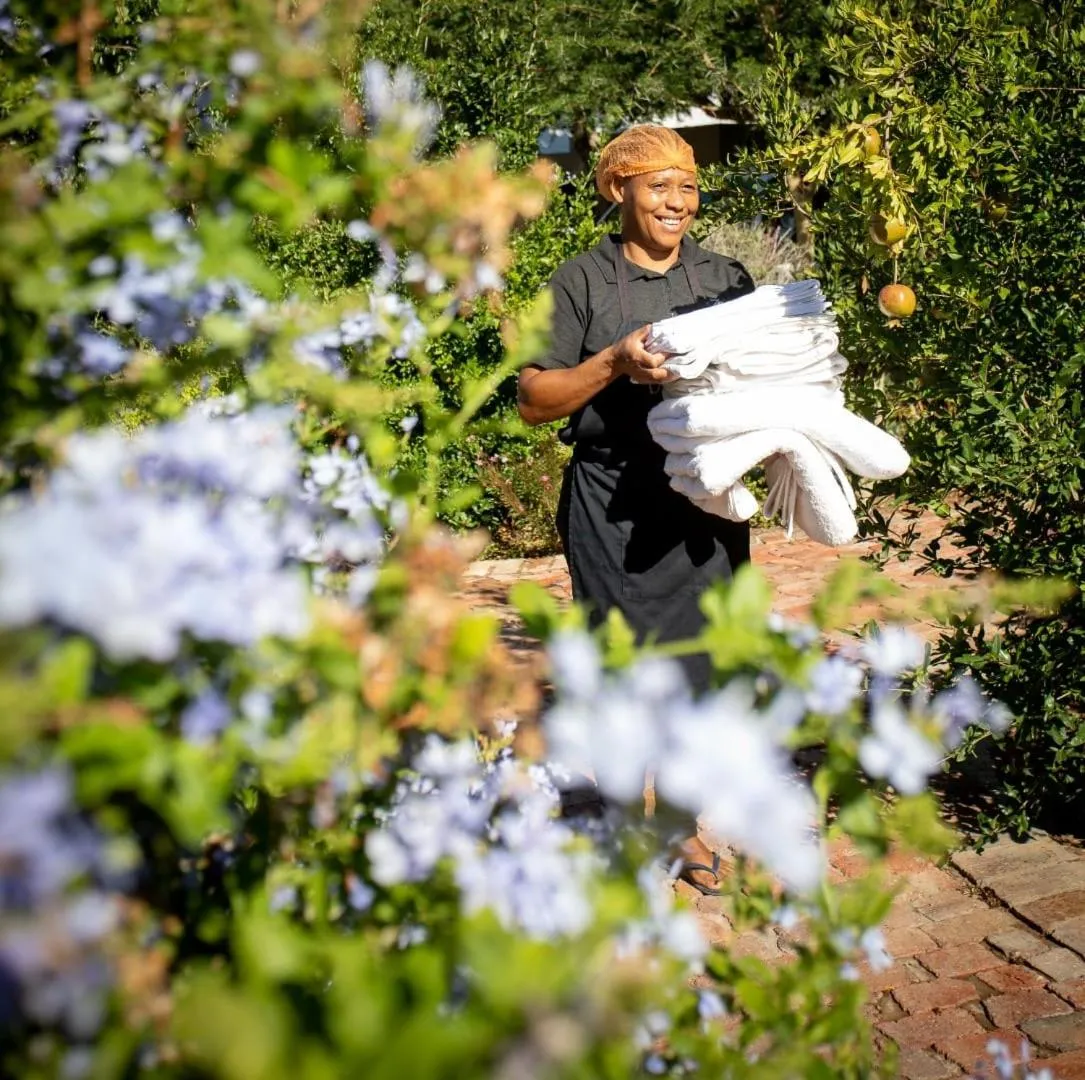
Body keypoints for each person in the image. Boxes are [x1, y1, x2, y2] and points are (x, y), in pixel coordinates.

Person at [517, 124, 757, 894]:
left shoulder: (725, 277)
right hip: (612, 502)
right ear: (618, 189)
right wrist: (613, 361)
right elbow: (533, 400)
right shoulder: (577, 283)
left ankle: (679, 829)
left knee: (704, 671)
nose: (677, 202)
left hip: (707, 501)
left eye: (686, 187)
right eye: (658, 186)